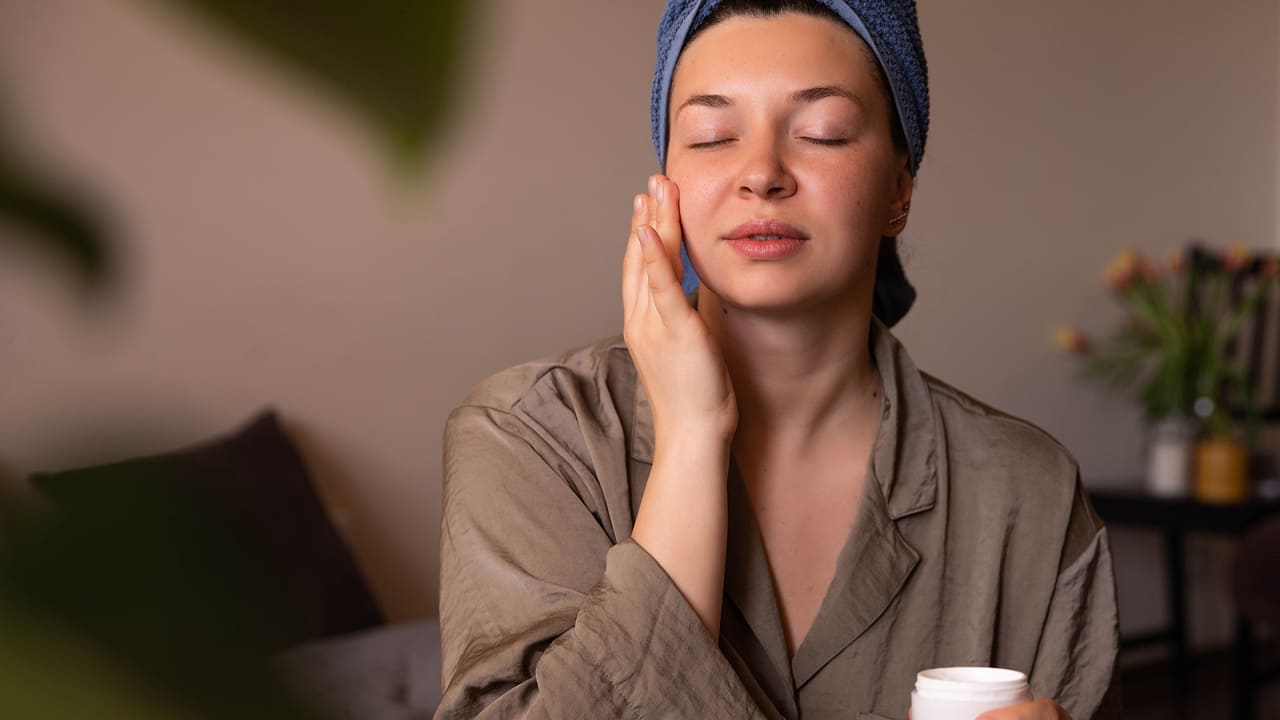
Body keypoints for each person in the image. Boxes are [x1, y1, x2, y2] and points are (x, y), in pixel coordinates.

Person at [436, 1, 1120, 718]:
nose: (761, 174)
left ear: (898, 187)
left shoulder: (1029, 496)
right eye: (712, 136)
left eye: (822, 133)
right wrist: (692, 437)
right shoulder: (529, 435)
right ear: (664, 182)